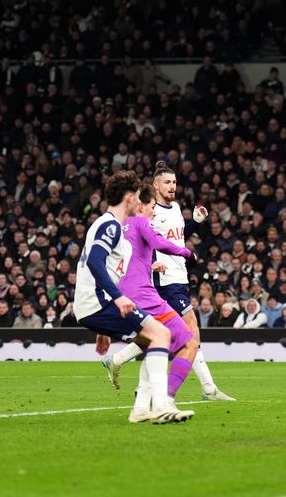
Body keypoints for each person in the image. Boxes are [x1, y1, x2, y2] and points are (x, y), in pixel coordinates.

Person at [73, 170, 193, 424]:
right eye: (139, 197)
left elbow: (105, 269)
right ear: (129, 198)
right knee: (161, 334)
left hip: (95, 306)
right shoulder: (110, 225)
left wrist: (103, 327)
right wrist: (115, 298)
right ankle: (161, 405)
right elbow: (95, 261)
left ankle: (141, 409)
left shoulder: (113, 228)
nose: (141, 203)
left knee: (153, 340)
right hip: (99, 303)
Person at [97, 183, 201, 414]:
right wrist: (187, 253)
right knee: (189, 342)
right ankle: (165, 400)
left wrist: (149, 267)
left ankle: (140, 401)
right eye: (153, 206)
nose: (155, 211)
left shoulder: (119, 225)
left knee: (155, 343)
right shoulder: (141, 221)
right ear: (141, 205)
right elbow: (159, 243)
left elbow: (121, 264)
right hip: (145, 297)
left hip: (124, 296)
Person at [149, 161, 234, 400]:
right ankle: (209, 389)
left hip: (179, 276)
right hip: (165, 281)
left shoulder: (175, 208)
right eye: (167, 182)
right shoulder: (150, 211)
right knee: (190, 330)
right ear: (156, 185)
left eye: (174, 182)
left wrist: (194, 223)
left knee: (164, 334)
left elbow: (177, 239)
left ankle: (118, 360)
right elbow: (146, 242)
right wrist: (152, 266)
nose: (172, 186)